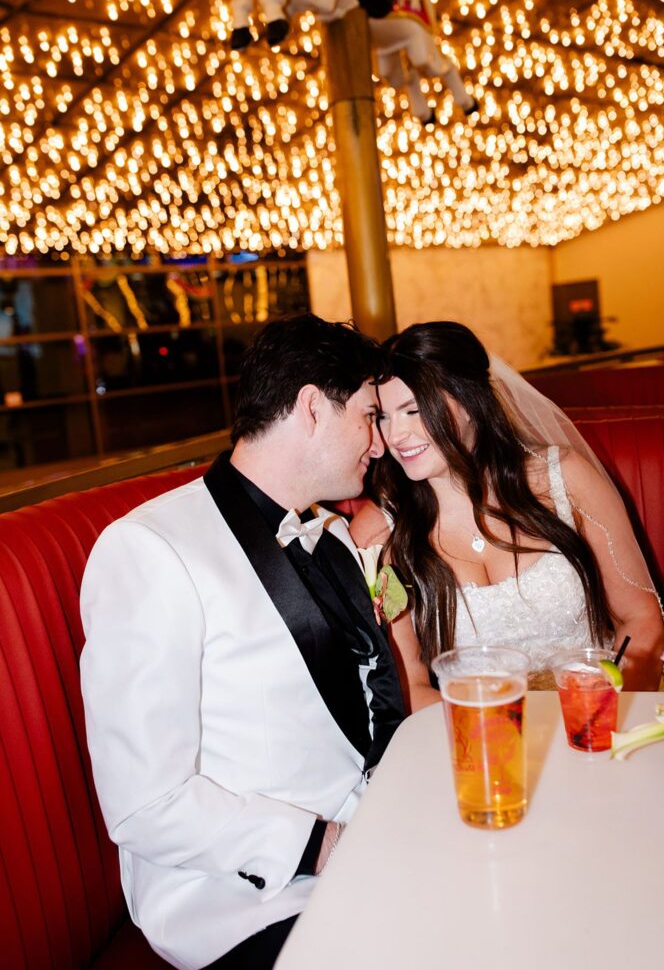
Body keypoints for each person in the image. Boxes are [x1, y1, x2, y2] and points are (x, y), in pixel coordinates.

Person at [80, 314, 406, 970]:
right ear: (312, 406)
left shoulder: (334, 537)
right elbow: (146, 806)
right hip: (244, 899)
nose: (381, 442)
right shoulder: (150, 549)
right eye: (370, 417)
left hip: (375, 844)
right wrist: (323, 843)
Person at [351, 321, 664, 706]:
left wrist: (602, 708)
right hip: (481, 737)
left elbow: (641, 620)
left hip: (594, 716)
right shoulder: (381, 536)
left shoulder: (563, 480)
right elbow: (410, 686)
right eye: (382, 416)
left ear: (470, 401)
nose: (395, 435)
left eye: (414, 410)